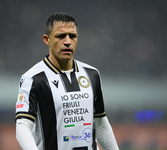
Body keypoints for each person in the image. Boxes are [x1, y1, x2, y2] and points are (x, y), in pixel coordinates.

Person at [15, 12, 119, 150]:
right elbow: (23, 126)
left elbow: (100, 123)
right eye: (61, 36)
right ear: (47, 39)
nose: (68, 41)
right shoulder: (33, 79)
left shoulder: (92, 74)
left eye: (73, 36)